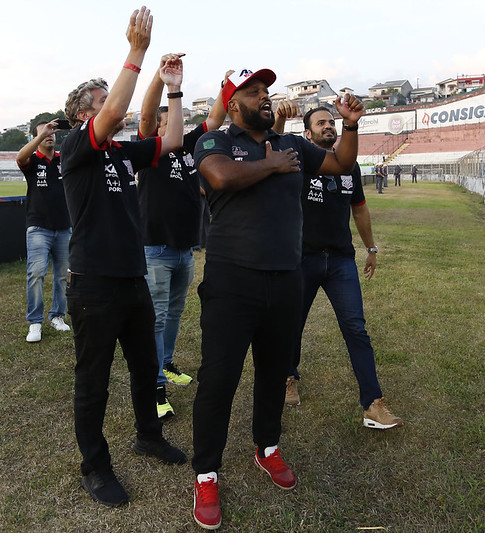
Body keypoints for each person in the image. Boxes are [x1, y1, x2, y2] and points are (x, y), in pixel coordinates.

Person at [190, 68, 365, 530]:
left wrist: (349, 126)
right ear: (233, 105)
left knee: (274, 370)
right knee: (219, 379)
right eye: (254, 92)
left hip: (286, 278)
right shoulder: (214, 141)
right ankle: (206, 472)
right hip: (232, 282)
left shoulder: (293, 145)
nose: (265, 98)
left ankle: (267, 447)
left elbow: (341, 165)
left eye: (267, 91)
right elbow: (221, 177)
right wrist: (272, 164)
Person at [60, 7, 186, 507]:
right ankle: (94, 465)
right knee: (92, 381)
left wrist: (174, 88)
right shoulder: (77, 146)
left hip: (132, 278)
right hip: (93, 284)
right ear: (82, 115)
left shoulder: (119, 152)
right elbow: (115, 111)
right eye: (100, 101)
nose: (116, 107)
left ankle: (148, 435)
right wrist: (137, 52)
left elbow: (173, 141)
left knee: (143, 367)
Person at [274, 106, 402, 430]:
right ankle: (289, 376)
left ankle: (373, 404)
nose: (328, 126)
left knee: (356, 328)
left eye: (331, 122)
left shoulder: (350, 167)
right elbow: (270, 144)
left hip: (341, 260)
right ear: (307, 134)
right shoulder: (297, 162)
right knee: (292, 327)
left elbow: (359, 210)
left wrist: (371, 248)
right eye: (321, 123)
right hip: (302, 259)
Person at [137, 60, 230, 418]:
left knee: (174, 313)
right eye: (170, 120)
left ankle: (167, 363)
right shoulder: (150, 148)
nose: (179, 125)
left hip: (183, 249)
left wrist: (226, 88)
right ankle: (155, 385)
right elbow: (146, 117)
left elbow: (216, 119)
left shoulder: (190, 145)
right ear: (161, 126)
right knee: (157, 317)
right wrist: (163, 82)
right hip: (155, 248)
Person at [16, 119, 72, 343]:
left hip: (64, 227)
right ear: (36, 137)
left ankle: (57, 316)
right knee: (36, 273)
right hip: (38, 227)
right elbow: (20, 157)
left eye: (52, 132)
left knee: (62, 277)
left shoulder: (63, 159)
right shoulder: (32, 161)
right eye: (44, 133)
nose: (50, 135)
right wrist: (39, 136)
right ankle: (35, 321)